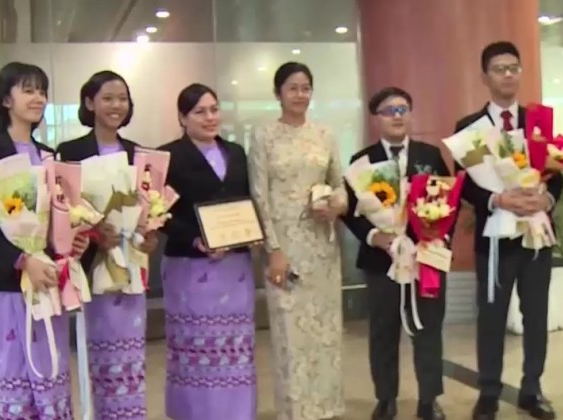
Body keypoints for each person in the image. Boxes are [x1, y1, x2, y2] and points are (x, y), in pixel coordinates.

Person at [0, 62, 81, 418]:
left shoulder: (50, 155)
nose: (38, 98)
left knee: (53, 367)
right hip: (11, 281)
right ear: (5, 100)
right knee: (17, 366)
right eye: (28, 90)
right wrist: (22, 260)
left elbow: (60, 217)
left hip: (50, 280)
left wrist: (73, 242)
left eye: (42, 91)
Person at [454, 42, 563, 420]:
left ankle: (532, 389)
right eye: (499, 69)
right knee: (491, 317)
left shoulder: (538, 122)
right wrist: (497, 199)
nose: (508, 75)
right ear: (484, 77)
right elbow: (463, 185)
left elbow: (556, 172)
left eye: (514, 68)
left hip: (536, 236)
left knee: (536, 315)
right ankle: (488, 392)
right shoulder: (469, 128)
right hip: (494, 239)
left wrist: (546, 199)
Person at [56, 70, 158, 420]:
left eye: (122, 99)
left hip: (131, 269)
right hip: (91, 269)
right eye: (108, 98)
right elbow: (63, 213)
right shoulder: (70, 153)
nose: (117, 105)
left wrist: (149, 234)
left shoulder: (139, 154)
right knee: (96, 355)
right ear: (89, 103)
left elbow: (151, 207)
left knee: (131, 358)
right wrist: (94, 234)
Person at [342, 87, 448, 420]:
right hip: (382, 261)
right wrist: (376, 236)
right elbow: (350, 212)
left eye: (403, 109)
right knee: (383, 331)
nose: (397, 116)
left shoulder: (430, 155)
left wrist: (435, 236)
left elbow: (449, 201)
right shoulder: (361, 161)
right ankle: (385, 398)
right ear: (376, 119)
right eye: (389, 111)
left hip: (425, 258)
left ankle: (429, 399)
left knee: (428, 329)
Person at [248, 62, 346, 420]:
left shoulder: (325, 134)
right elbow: (259, 196)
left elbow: (340, 184)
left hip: (322, 246)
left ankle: (326, 408)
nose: (300, 95)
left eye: (306, 88)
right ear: (278, 93)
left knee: (326, 333)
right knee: (290, 334)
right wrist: (272, 249)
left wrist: (337, 205)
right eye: (292, 88)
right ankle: (295, 411)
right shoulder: (264, 135)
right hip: (284, 248)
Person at [158, 83, 257, 420]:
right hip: (190, 265)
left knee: (234, 348)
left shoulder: (236, 152)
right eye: (199, 111)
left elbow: (246, 200)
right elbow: (158, 213)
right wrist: (195, 239)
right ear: (182, 117)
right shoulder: (167, 157)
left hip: (235, 266)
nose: (210, 117)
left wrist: (251, 232)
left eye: (214, 109)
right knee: (195, 347)